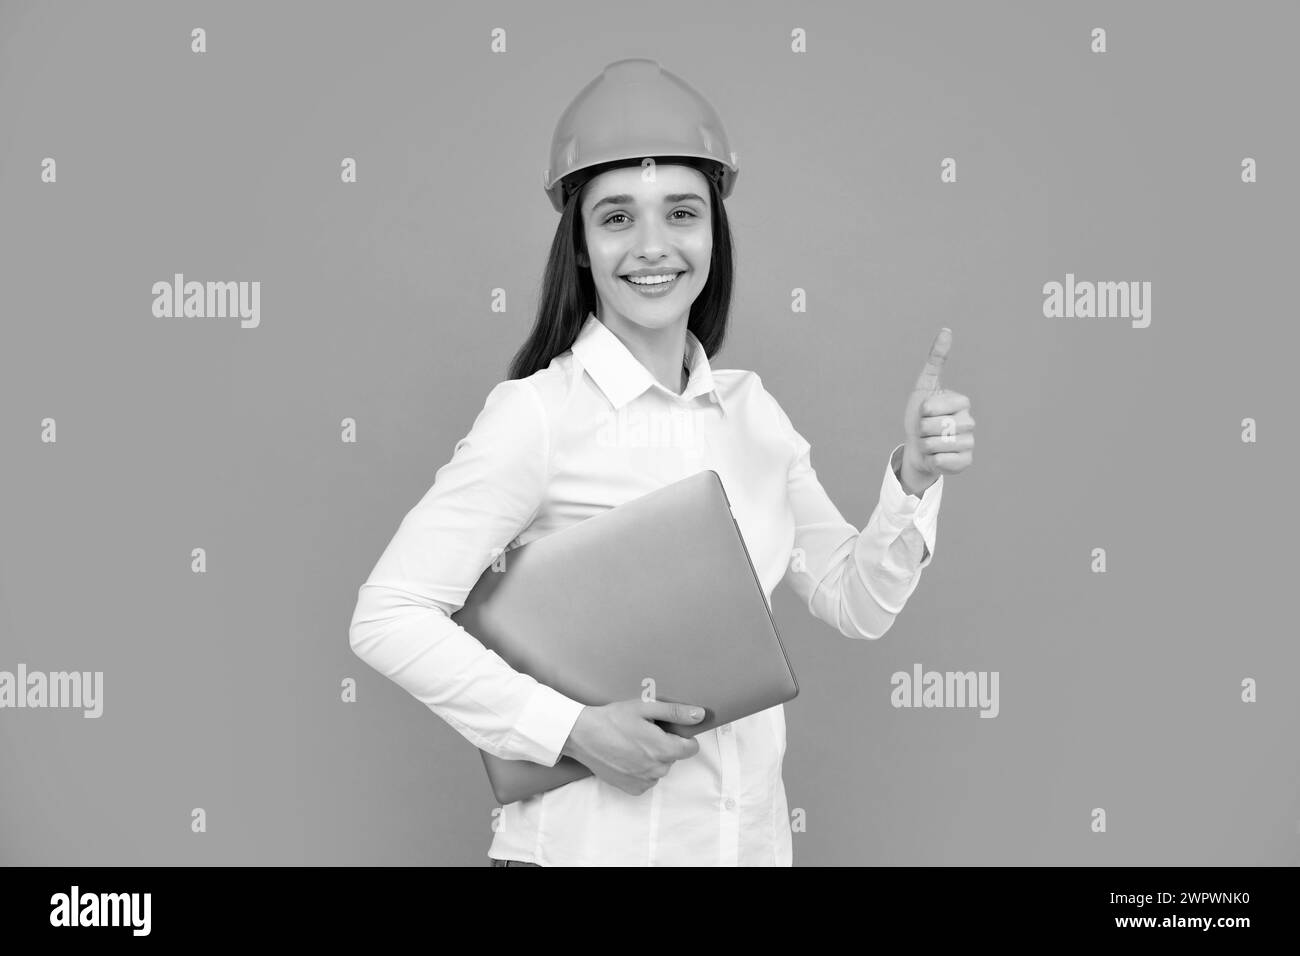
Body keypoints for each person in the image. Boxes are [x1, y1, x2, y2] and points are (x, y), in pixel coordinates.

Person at [348, 58, 976, 866]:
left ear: (714, 230)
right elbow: (388, 616)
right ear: (578, 244)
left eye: (681, 213)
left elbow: (858, 602)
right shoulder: (539, 414)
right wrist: (571, 730)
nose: (653, 247)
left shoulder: (753, 411)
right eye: (617, 218)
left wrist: (914, 481)